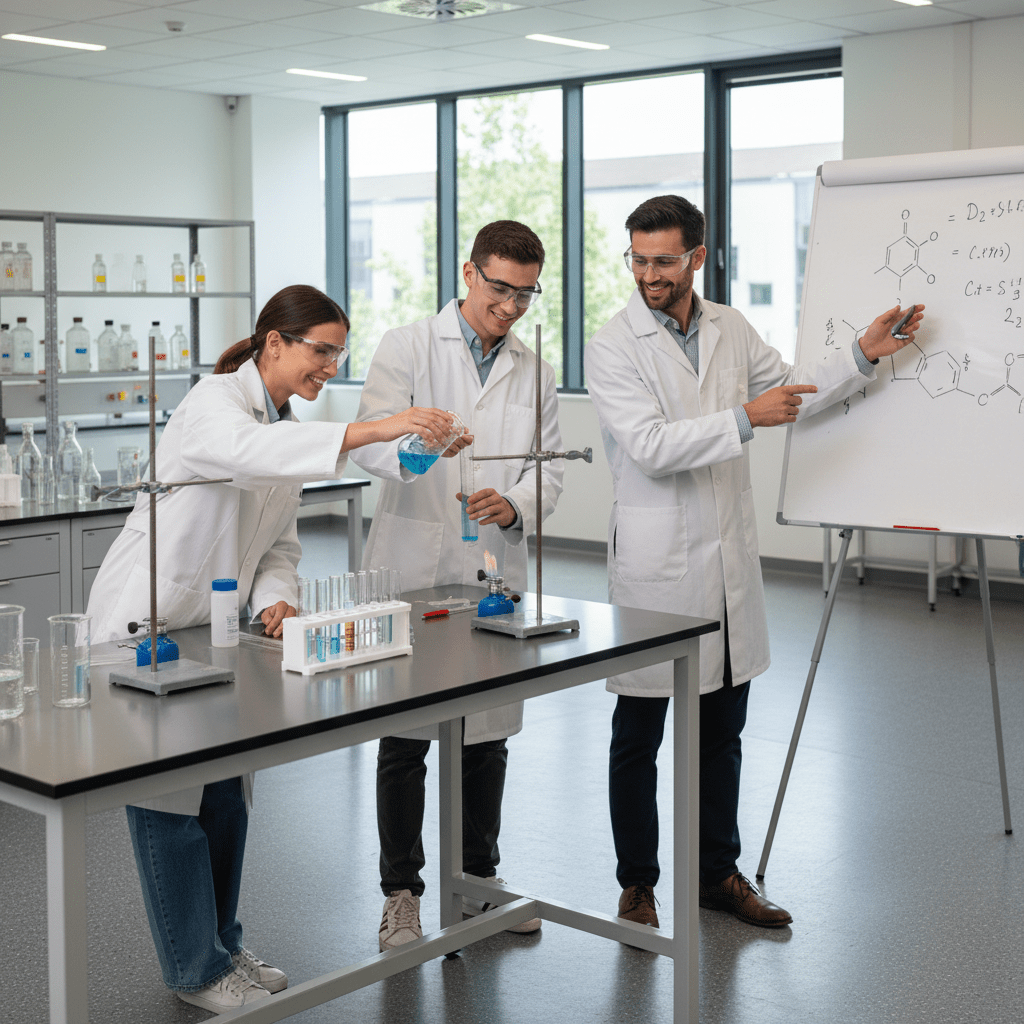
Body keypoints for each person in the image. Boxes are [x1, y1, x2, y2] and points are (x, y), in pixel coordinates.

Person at [86, 285, 454, 1013]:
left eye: (336, 355)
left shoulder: (281, 420)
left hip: (209, 629)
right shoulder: (214, 403)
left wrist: (274, 597)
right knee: (169, 802)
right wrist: (370, 429)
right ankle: (194, 970)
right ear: (273, 343)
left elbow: (277, 543)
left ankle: (222, 946)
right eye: (321, 350)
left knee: (227, 792)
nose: (328, 365)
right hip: (143, 626)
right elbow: (247, 454)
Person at [584, 195, 924, 930]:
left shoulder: (730, 328)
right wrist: (743, 418)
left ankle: (717, 874)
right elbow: (648, 445)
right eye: (638, 260)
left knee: (722, 733)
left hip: (723, 561)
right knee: (637, 737)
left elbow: (791, 389)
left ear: (697, 258)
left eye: (664, 261)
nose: (649, 275)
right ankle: (637, 884)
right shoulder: (612, 345)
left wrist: (861, 355)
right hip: (654, 565)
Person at [350, 220, 564, 951]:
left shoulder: (534, 369)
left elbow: (548, 466)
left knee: (486, 735)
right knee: (405, 738)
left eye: (526, 293)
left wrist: (519, 504)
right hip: (411, 561)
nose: (510, 306)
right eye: (500, 287)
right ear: (470, 273)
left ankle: (477, 880)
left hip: (491, 566)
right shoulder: (408, 345)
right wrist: (422, 447)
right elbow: (369, 447)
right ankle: (401, 894)